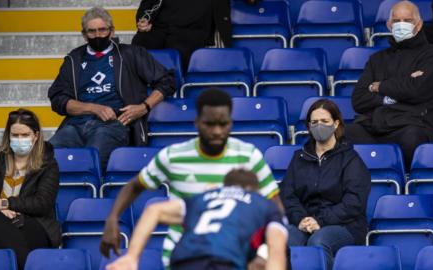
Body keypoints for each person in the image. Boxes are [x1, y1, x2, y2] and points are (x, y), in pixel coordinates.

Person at [100, 88, 282, 268]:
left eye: (223, 124)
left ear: (231, 123)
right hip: (183, 252)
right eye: (210, 124)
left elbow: (274, 206)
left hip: (232, 251)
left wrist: (267, 250)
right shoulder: (173, 156)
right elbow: (135, 186)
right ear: (197, 123)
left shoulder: (249, 156)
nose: (217, 131)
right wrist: (112, 218)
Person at [48, 7, 175, 170]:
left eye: (102, 30)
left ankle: (90, 195)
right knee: (44, 158)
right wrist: (94, 108)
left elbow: (167, 80)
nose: (98, 35)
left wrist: (144, 107)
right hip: (74, 126)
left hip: (115, 124)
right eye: (92, 31)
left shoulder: (131, 53)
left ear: (112, 31)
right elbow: (58, 99)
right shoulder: (74, 58)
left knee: (91, 159)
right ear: (84, 34)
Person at [106, 169, 288, 270]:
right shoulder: (264, 204)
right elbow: (276, 249)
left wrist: (131, 257)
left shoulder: (204, 198)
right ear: (255, 190)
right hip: (224, 262)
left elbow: (154, 210)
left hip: (184, 260)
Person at [347, 1, 433, 170]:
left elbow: (416, 90)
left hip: (412, 125)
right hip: (374, 125)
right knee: (340, 136)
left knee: (412, 139)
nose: (401, 25)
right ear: (388, 24)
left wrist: (379, 87)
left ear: (419, 24)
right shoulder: (377, 59)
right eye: (396, 21)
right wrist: (392, 96)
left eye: (407, 20)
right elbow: (358, 100)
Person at [280, 99, 371, 270]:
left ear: (336, 124)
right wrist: (300, 219)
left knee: (319, 241)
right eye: (314, 122)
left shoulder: (351, 159)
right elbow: (287, 194)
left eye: (324, 121)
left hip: (345, 225)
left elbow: (354, 203)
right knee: (286, 240)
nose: (319, 126)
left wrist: (320, 221)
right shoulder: (299, 158)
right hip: (305, 222)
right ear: (308, 126)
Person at [0, 109, 60, 270]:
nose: (20, 139)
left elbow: (42, 203)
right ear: (8, 135)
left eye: (25, 135)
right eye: (15, 135)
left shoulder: (48, 163)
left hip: (32, 224)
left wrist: (4, 204)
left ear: (36, 136)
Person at [132, 0, 259, 69]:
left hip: (192, 31)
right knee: (138, 45)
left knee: (178, 50)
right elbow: (147, 6)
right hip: (158, 28)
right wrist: (143, 20)